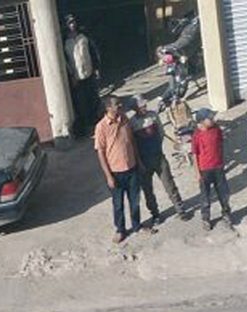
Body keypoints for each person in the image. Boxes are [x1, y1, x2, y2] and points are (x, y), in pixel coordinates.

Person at [94, 96, 144, 243]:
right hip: (115, 172)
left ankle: (137, 226)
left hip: (131, 167)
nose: (120, 105)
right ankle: (120, 230)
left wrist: (138, 161)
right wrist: (108, 176)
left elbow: (132, 141)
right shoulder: (101, 127)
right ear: (108, 108)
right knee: (118, 204)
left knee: (135, 200)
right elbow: (101, 153)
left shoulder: (125, 119)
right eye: (117, 104)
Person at [130, 95, 187, 223]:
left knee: (169, 184)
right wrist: (139, 161)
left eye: (145, 105)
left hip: (158, 157)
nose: (144, 108)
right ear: (135, 108)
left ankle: (180, 209)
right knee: (148, 190)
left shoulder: (153, 116)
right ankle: (155, 214)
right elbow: (133, 143)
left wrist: (156, 148)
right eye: (141, 106)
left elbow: (161, 133)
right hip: (144, 161)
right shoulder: (132, 123)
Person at [191, 108, 234, 231]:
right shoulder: (197, 136)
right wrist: (197, 172)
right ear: (202, 122)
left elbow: (220, 145)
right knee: (205, 196)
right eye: (209, 118)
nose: (213, 120)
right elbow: (194, 154)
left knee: (223, 193)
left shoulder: (217, 130)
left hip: (218, 167)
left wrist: (222, 161)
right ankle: (206, 218)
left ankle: (226, 214)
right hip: (204, 170)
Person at [63, 14, 102, 138]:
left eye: (73, 22)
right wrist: (71, 76)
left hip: (89, 73)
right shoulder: (64, 40)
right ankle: (87, 127)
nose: (72, 25)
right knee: (81, 103)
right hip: (76, 77)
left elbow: (93, 51)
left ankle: (97, 124)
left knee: (93, 98)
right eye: (69, 23)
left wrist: (96, 68)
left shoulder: (84, 36)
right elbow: (65, 61)